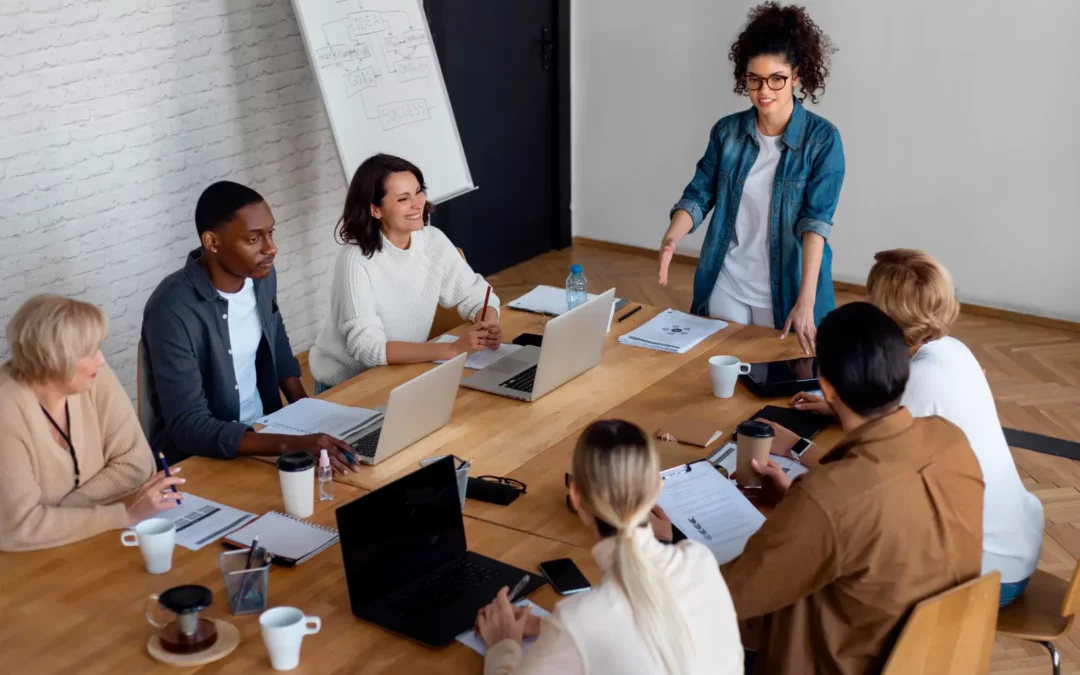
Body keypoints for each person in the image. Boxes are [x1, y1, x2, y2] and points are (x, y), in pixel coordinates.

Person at [723, 302, 984, 675]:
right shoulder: (951, 440)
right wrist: (795, 505)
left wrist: (666, 544)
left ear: (826, 387)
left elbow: (728, 598)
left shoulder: (828, 498)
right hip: (940, 655)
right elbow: (885, 519)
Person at [792, 249, 1044, 606]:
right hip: (1013, 543)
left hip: (987, 574)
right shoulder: (951, 350)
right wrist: (839, 407)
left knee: (836, 561)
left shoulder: (922, 379)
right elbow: (901, 419)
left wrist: (793, 446)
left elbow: (857, 479)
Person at [474, 420, 744, 675]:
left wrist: (503, 644)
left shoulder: (580, 621)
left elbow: (609, 627)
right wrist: (549, 630)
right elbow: (642, 627)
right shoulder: (700, 560)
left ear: (576, 496)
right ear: (657, 488)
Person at [658, 2, 845, 354]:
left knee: (777, 382)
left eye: (777, 79)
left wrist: (806, 301)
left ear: (798, 76)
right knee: (717, 373)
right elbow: (699, 195)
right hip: (725, 281)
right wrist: (672, 237)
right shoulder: (727, 132)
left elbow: (815, 226)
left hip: (787, 288)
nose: (764, 91)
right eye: (754, 79)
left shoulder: (822, 141)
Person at [142, 181, 357, 473]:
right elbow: (189, 426)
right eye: (254, 239)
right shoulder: (171, 309)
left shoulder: (261, 277)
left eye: (270, 233)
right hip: (205, 460)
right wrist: (290, 444)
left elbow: (275, 336)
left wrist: (309, 415)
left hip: (266, 429)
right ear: (212, 242)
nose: (271, 248)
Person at [0, 295, 184, 551]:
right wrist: (123, 515)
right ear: (51, 362)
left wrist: (61, 511)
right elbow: (18, 528)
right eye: (89, 352)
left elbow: (138, 465)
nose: (101, 360)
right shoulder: (6, 411)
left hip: (86, 543)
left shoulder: (93, 378)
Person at [309, 154, 501, 391]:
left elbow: (477, 295)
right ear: (375, 209)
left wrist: (487, 325)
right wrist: (453, 349)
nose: (418, 203)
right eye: (403, 198)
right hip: (349, 385)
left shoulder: (432, 241)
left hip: (402, 372)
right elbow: (368, 348)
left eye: (419, 191)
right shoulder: (356, 260)